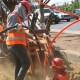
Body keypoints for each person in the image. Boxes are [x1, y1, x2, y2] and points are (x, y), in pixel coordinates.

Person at [6, 0, 32, 80]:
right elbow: (9, 30)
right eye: (26, 11)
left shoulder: (17, 17)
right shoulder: (13, 15)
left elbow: (20, 31)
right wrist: (17, 26)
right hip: (15, 43)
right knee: (26, 63)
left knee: (19, 64)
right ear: (22, 9)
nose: (26, 14)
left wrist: (30, 36)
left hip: (15, 44)